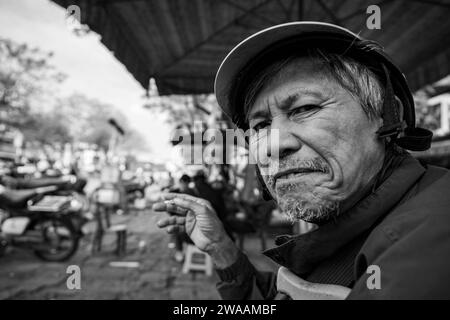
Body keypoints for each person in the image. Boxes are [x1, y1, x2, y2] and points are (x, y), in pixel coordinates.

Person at [153, 22, 450, 299]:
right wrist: (222, 249)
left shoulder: (428, 241)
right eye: (260, 126)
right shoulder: (356, 220)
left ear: (388, 116)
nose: (274, 144)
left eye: (305, 108)